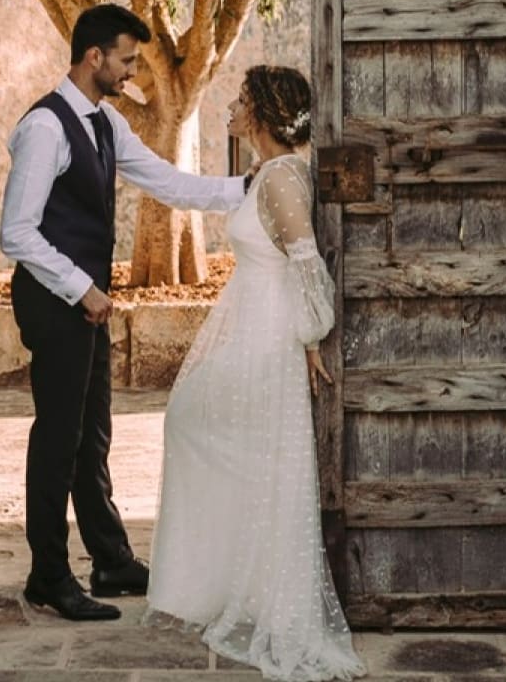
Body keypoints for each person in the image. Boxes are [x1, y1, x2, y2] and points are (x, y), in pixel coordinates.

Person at [0, 3, 249, 622]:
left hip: (85, 302)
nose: (134, 71)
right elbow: (17, 233)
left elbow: (170, 183)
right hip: (57, 300)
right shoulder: (45, 129)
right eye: (128, 60)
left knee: (95, 433)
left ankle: (110, 561)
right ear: (94, 58)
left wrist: (251, 187)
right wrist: (82, 288)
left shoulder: (107, 126)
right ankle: (47, 576)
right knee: (58, 437)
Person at [145, 66, 365, 681]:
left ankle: (252, 591)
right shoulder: (267, 173)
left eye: (241, 101)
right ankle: (227, 578)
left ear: (263, 114)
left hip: (265, 335)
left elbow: (306, 261)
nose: (232, 109)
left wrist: (312, 334)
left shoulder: (281, 180)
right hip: (248, 323)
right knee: (208, 432)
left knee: (203, 428)